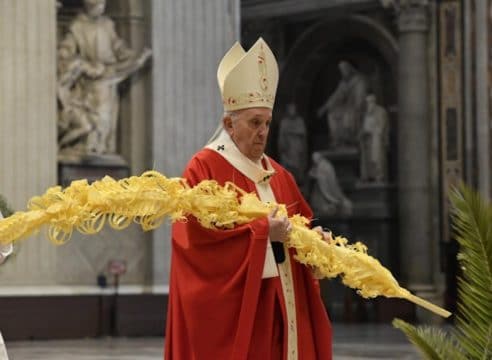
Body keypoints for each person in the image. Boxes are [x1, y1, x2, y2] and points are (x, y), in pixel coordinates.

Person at [165, 38, 333, 359]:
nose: (263, 132)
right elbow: (195, 243)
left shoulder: (281, 176)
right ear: (229, 124)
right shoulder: (204, 167)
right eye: (255, 122)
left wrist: (315, 245)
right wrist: (261, 233)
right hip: (240, 314)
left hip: (283, 309)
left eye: (267, 123)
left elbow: (298, 231)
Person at [57, 0, 151, 157]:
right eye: (98, 5)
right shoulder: (77, 26)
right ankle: (87, 146)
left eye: (103, 4)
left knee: (105, 119)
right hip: (89, 82)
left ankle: (100, 147)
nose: (102, 7)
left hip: (108, 78)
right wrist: (83, 65)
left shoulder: (107, 24)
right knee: (95, 118)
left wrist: (129, 56)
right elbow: (66, 52)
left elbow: (117, 46)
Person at [317, 61, 368, 148]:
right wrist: (324, 108)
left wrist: (357, 106)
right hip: (347, 107)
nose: (343, 72)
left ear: (350, 69)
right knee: (332, 113)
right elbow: (335, 97)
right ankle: (337, 139)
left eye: (344, 70)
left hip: (358, 107)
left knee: (348, 115)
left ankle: (350, 139)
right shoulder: (343, 83)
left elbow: (361, 97)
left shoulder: (360, 81)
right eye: (341, 71)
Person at [308, 152, 352, 217]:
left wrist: (318, 176)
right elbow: (311, 173)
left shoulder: (326, 165)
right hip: (319, 189)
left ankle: (332, 204)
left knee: (333, 199)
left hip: (327, 187)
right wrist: (315, 175)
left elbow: (328, 178)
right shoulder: (317, 165)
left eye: (315, 159)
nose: (314, 161)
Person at [359, 94, 389, 182]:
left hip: (377, 139)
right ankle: (367, 175)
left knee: (377, 158)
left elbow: (382, 127)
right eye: (367, 102)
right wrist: (362, 133)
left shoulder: (381, 111)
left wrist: (372, 130)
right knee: (367, 158)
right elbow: (363, 126)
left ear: (374, 101)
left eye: (370, 101)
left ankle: (379, 176)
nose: (369, 104)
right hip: (367, 139)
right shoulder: (365, 113)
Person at [278, 103, 308, 186]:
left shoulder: (299, 121)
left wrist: (292, 132)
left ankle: (297, 182)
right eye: (290, 109)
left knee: (297, 165)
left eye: (293, 109)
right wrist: (282, 145)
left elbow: (302, 133)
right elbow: (281, 134)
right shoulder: (284, 121)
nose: (292, 111)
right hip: (287, 147)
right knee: (287, 165)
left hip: (297, 147)